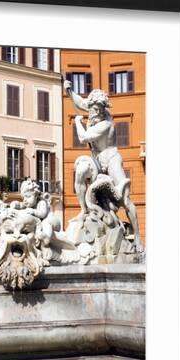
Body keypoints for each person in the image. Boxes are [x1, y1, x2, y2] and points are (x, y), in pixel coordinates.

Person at [64, 80, 144, 252]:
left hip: (111, 159)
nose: (97, 112)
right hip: (96, 159)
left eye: (100, 109)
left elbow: (84, 138)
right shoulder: (92, 109)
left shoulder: (105, 123)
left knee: (125, 198)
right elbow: (80, 102)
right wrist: (69, 90)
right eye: (94, 109)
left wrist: (77, 122)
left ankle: (137, 236)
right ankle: (84, 210)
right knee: (80, 171)